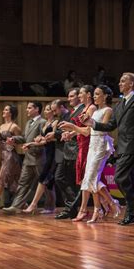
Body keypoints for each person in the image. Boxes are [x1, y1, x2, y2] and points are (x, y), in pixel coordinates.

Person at [83, 72, 134, 225]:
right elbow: (111, 125)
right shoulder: (119, 105)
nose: (119, 83)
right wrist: (92, 123)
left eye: (123, 81)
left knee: (120, 177)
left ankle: (132, 210)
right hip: (123, 146)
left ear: (131, 84)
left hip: (133, 144)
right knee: (129, 179)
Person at [60, 85, 122, 222]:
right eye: (94, 94)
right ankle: (105, 206)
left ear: (105, 96)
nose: (94, 96)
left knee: (91, 178)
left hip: (100, 144)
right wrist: (73, 131)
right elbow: (88, 129)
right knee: (89, 178)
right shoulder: (94, 111)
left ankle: (109, 205)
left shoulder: (108, 110)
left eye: (97, 94)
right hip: (92, 145)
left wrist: (75, 126)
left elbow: (102, 128)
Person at [2, 102, 47, 214]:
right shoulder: (28, 123)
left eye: (29, 108)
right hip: (28, 158)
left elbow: (44, 140)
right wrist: (14, 139)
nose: (27, 110)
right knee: (23, 182)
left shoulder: (43, 122)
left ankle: (50, 205)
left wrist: (32, 144)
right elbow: (25, 138)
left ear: (37, 109)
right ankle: (16, 206)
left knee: (45, 182)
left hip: (39, 158)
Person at [54, 88, 86, 219]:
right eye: (68, 96)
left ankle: (71, 208)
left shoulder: (84, 109)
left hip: (76, 150)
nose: (69, 99)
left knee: (76, 182)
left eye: (72, 96)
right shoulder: (73, 111)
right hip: (68, 150)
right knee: (59, 177)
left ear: (79, 96)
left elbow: (83, 129)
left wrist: (69, 133)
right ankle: (71, 206)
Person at [22, 103, 58, 214]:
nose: (46, 111)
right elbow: (43, 141)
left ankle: (34, 205)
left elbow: (54, 138)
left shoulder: (55, 122)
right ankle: (50, 207)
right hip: (46, 152)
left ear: (53, 111)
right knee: (47, 180)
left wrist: (39, 140)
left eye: (48, 110)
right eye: (46, 109)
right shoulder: (45, 124)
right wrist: (31, 143)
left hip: (53, 153)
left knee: (43, 178)